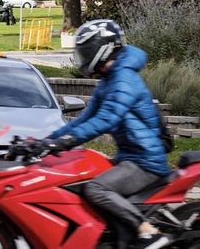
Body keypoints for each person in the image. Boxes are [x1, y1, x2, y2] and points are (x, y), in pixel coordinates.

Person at [35, 20, 170, 249]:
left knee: (95, 188)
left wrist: (67, 141)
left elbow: (106, 119)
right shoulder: (109, 80)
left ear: (102, 48)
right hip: (128, 158)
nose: (83, 57)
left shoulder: (124, 78)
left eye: (85, 51)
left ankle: (148, 232)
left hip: (145, 161)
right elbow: (84, 119)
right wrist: (47, 141)